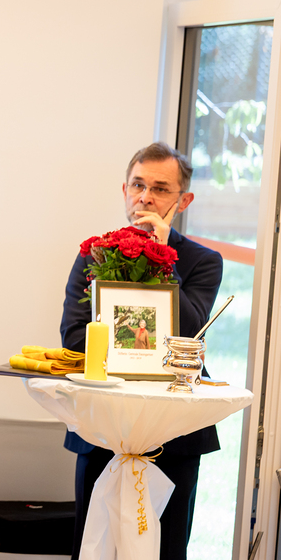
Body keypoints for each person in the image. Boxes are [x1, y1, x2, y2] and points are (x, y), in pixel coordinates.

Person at [60, 142, 223, 560]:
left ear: (183, 201)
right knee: (93, 548)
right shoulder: (93, 255)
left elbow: (189, 331)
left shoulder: (203, 261)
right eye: (137, 185)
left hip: (175, 435)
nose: (145, 197)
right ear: (124, 190)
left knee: (167, 550)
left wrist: (164, 259)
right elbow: (75, 339)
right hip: (103, 429)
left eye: (160, 188)